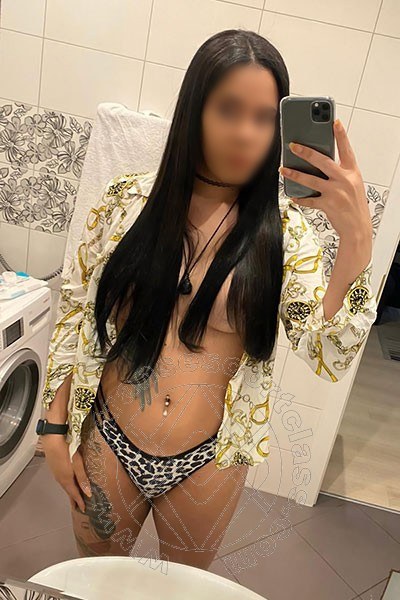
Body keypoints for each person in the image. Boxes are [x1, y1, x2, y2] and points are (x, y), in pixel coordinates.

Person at [38, 29, 377, 568]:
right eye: (228, 109)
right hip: (109, 436)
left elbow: (327, 354)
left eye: (263, 118)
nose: (245, 133)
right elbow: (77, 309)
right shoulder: (125, 203)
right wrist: (53, 428)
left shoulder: (286, 235)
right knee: (94, 579)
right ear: (194, 109)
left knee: (182, 588)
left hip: (208, 461)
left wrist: (356, 241)